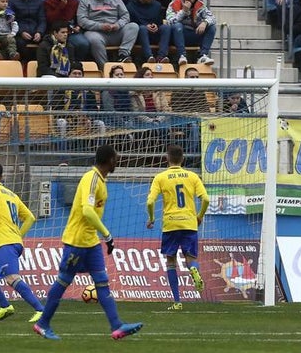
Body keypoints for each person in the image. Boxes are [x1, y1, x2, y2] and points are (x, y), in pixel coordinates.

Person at [32, 145, 143, 341]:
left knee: (102, 282)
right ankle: (43, 324)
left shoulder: (100, 180)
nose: (117, 162)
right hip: (77, 240)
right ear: (110, 160)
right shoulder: (91, 178)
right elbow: (87, 211)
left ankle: (117, 326)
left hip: (91, 242)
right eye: (116, 158)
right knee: (63, 281)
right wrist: (107, 235)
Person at [0, 162, 46, 322]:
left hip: (7, 244)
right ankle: (5, 306)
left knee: (11, 278)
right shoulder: (11, 194)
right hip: (12, 243)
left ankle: (41, 310)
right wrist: (18, 235)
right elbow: (30, 218)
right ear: (2, 176)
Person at [146, 144, 208, 311]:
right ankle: (194, 270)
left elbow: (150, 201)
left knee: (171, 261)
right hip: (189, 222)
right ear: (183, 159)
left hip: (170, 224)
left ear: (167, 158)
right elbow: (206, 199)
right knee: (190, 258)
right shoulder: (192, 176)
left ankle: (177, 301)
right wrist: (200, 216)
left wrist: (152, 219)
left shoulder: (160, 177)